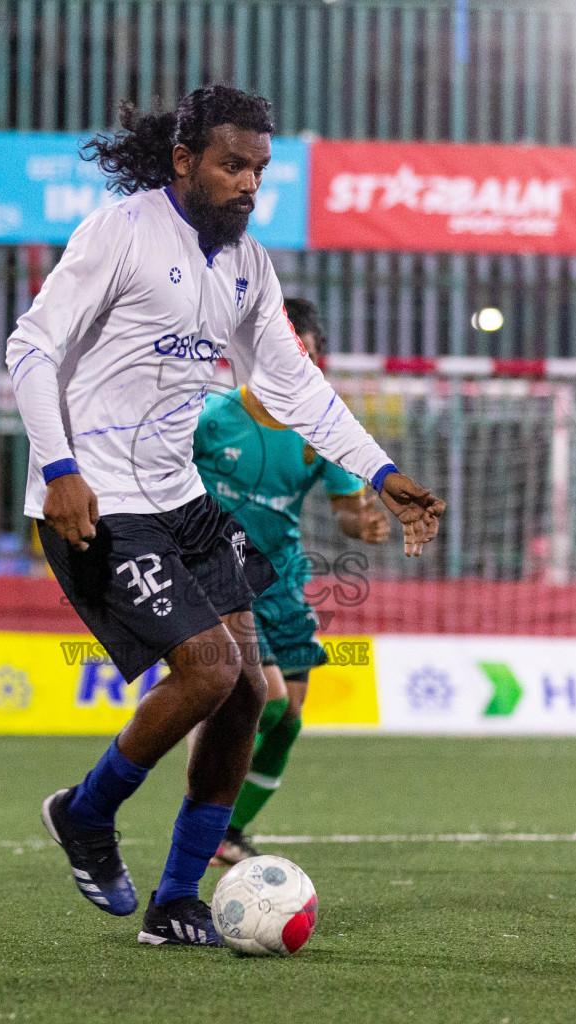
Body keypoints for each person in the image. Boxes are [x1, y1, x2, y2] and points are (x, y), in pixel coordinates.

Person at [6, 85, 445, 947]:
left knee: (247, 692)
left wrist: (381, 470)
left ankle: (175, 904)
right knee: (207, 671)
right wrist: (58, 469)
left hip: (181, 500)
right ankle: (86, 814)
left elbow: (295, 386)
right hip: (96, 501)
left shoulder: (248, 266)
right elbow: (32, 345)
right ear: (184, 161)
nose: (248, 184)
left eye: (259, 170)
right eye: (231, 164)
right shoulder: (122, 231)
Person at [192, 297, 392, 865]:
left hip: (282, 581)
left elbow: (347, 507)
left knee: (291, 718)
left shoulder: (323, 427)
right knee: (269, 702)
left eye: (302, 351)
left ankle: (227, 832)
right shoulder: (212, 419)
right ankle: (202, 817)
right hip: (217, 572)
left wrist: (365, 523)